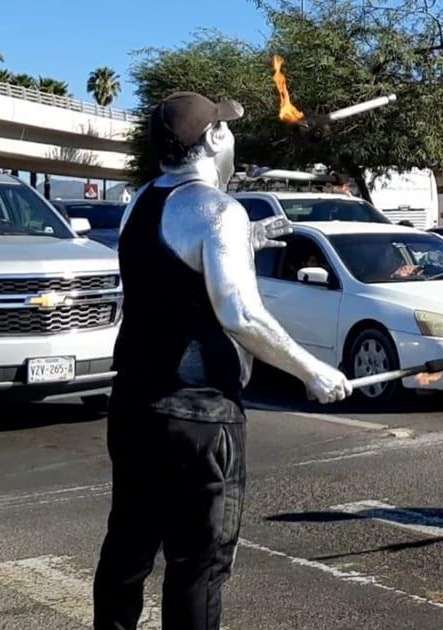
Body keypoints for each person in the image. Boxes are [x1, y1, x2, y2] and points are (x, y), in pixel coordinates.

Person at [93, 91, 352, 630]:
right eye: (226, 128)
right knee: (198, 565)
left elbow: (168, 270)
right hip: (199, 417)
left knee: (128, 551)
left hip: (135, 407)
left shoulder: (140, 202)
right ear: (211, 139)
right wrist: (313, 370)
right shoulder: (218, 211)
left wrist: (244, 241)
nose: (232, 137)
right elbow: (240, 315)